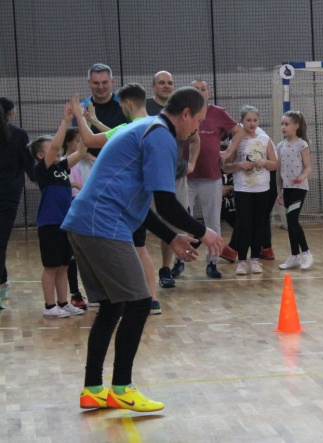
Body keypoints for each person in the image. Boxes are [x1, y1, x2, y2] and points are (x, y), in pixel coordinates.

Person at [63, 86, 225, 412]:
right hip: (103, 225)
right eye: (198, 121)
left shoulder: (144, 127)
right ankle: (122, 388)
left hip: (83, 222)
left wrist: (172, 237)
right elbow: (165, 201)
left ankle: (93, 389)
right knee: (139, 303)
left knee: (112, 307)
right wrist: (202, 231)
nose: (197, 128)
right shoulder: (161, 136)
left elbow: (143, 204)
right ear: (185, 114)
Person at [73, 84, 163, 315]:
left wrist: (78, 116)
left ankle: (134, 300)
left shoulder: (131, 128)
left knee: (135, 250)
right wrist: (94, 119)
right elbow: (116, 133)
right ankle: (151, 300)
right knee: (140, 249)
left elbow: (89, 140)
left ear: (128, 104)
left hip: (121, 204)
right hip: (136, 202)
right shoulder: (151, 125)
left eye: (122, 106)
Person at [144, 71, 200, 288]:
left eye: (170, 83)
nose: (166, 86)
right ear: (153, 86)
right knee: (141, 222)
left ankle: (166, 268)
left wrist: (191, 163)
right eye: (162, 83)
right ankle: (140, 271)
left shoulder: (182, 111)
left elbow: (195, 139)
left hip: (175, 176)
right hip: (148, 179)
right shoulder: (147, 110)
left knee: (173, 223)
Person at [30, 104, 87, 318]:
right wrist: (65, 120)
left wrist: (84, 121)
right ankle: (49, 306)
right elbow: (55, 147)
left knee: (64, 266)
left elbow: (82, 151)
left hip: (66, 222)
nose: (58, 148)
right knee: (51, 267)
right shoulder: (42, 170)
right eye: (51, 146)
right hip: (50, 223)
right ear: (40, 154)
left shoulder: (62, 167)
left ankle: (63, 303)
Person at [186, 80, 244, 278]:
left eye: (203, 89)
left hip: (211, 176)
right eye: (195, 90)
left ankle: (212, 262)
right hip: (186, 177)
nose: (199, 92)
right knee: (181, 221)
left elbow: (239, 131)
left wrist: (228, 152)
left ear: (208, 94)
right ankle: (178, 262)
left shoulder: (218, 113)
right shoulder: (183, 113)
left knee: (213, 222)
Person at [222, 106, 277, 275]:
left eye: (255, 120)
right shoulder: (236, 141)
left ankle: (255, 259)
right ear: (241, 121)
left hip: (262, 189)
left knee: (258, 224)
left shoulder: (265, 139)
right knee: (244, 224)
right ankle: (242, 261)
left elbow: (275, 164)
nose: (252, 123)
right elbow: (226, 167)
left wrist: (264, 162)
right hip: (243, 189)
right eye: (248, 120)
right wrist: (239, 165)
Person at [0, 97, 33, 308]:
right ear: (10, 114)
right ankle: (2, 283)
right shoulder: (19, 135)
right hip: (9, 196)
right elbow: (30, 167)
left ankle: (2, 282)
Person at [275, 111, 314, 271]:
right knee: (290, 223)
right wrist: (279, 191)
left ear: (296, 126)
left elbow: (308, 167)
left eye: (287, 124)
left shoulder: (302, 144)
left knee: (292, 219)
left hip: (299, 188)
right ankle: (295, 256)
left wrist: (301, 177)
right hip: (287, 189)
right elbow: (279, 171)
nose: (283, 127)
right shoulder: (280, 146)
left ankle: (306, 253)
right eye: (282, 124)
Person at [76, 63, 128, 158]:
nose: (100, 87)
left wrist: (95, 122)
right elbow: (76, 142)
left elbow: (128, 140)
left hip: (120, 161)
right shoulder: (81, 108)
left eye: (104, 82)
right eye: (96, 83)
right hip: (88, 163)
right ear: (89, 83)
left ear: (112, 81)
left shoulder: (125, 105)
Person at [61, 128, 88, 310]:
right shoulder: (61, 163)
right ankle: (74, 293)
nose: (80, 143)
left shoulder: (83, 164)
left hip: (82, 209)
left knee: (82, 254)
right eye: (78, 140)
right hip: (67, 208)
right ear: (69, 142)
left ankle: (93, 292)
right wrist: (72, 184)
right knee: (69, 254)